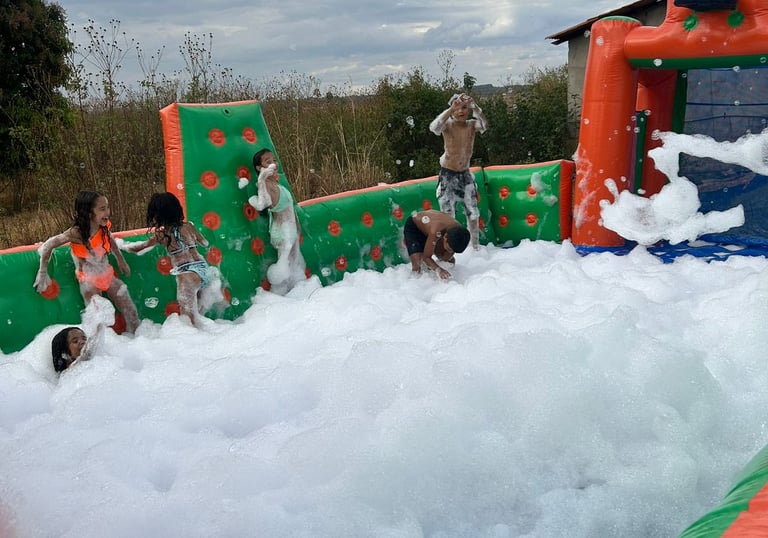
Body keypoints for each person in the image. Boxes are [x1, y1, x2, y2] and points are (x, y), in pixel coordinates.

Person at [33, 190, 140, 334]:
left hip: (106, 274)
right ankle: (103, 350)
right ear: (89, 213)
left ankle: (136, 342)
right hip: (89, 281)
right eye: (102, 209)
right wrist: (43, 273)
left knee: (131, 311)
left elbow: (110, 239)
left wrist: (121, 260)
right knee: (99, 324)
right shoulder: (75, 233)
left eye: (107, 207)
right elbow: (48, 246)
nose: (108, 212)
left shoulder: (103, 226)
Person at [122, 192, 224, 327]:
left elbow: (138, 248)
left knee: (189, 320)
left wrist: (120, 245)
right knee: (197, 315)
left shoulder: (161, 235)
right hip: (203, 270)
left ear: (158, 215)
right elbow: (204, 242)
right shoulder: (188, 226)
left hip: (187, 275)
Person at [240, 148, 306, 295]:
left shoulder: (275, 184)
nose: (273, 164)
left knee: (293, 262)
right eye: (268, 162)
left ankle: (294, 293)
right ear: (259, 167)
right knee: (286, 262)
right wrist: (261, 179)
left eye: (274, 160)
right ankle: (280, 293)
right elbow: (263, 203)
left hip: (290, 229)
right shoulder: (266, 184)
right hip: (282, 231)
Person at [429, 92, 488, 250]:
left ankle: (475, 248)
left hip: (465, 175)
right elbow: (434, 128)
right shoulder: (447, 125)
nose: (461, 111)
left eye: (464, 108)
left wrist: (476, 107)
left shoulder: (471, 125)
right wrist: (450, 109)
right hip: (448, 175)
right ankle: (449, 250)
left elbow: (484, 125)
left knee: (473, 213)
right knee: (448, 216)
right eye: (457, 108)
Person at [403, 210, 470, 280]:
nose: (451, 253)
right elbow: (426, 258)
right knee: (418, 266)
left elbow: (447, 256)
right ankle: (415, 283)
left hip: (432, 228)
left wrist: (444, 260)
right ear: (445, 237)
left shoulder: (459, 232)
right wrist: (439, 270)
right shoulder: (436, 230)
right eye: (450, 249)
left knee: (447, 260)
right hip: (415, 227)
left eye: (454, 251)